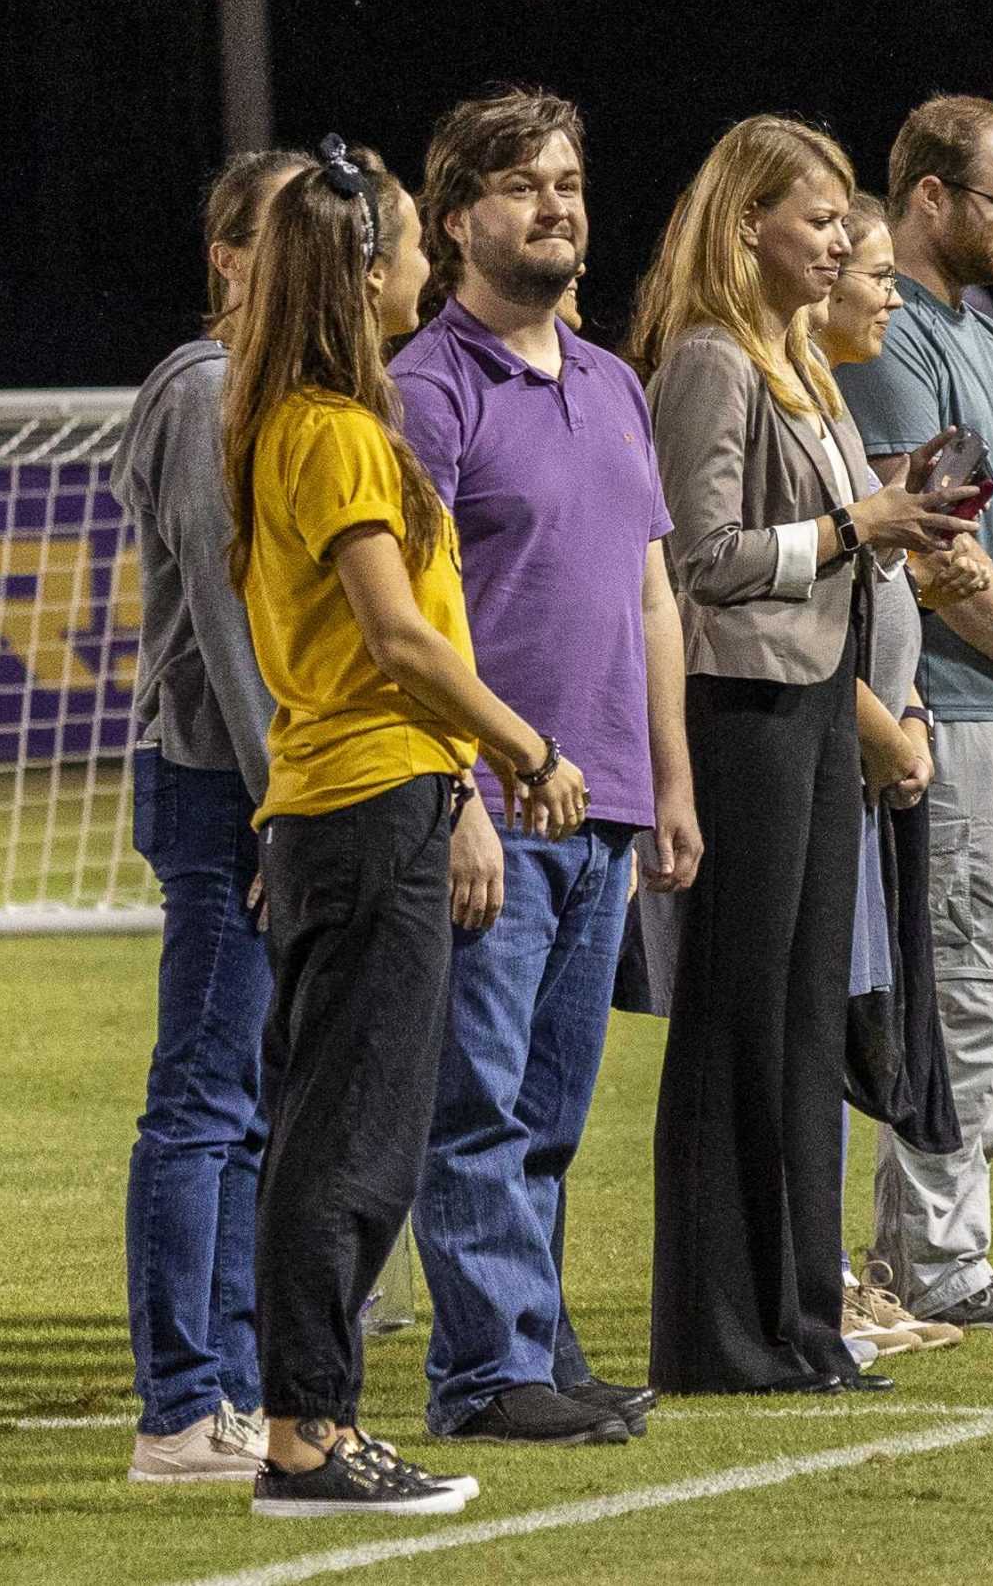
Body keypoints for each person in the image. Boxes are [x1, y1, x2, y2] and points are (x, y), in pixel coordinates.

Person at [227, 137, 584, 1514]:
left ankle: (311, 1422)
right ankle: (307, 1432)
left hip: (350, 800)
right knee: (351, 1138)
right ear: (368, 267)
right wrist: (521, 748)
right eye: (414, 249)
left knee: (347, 1129)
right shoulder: (329, 429)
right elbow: (399, 638)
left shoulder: (302, 422)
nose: (431, 268)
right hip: (368, 799)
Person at [629, 115, 977, 1395]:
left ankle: (799, 1321)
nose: (840, 239)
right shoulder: (711, 360)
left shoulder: (798, 362)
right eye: (819, 217)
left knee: (801, 1023)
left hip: (818, 706)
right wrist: (851, 526)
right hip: (744, 715)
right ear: (744, 227)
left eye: (845, 220)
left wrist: (899, 533)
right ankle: (719, 1333)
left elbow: (829, 539)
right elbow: (697, 559)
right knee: (737, 1020)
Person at [393, 89, 696, 1448]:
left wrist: (668, 782)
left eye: (569, 181)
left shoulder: (615, 381)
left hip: (605, 804)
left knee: (554, 1106)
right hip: (496, 803)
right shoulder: (427, 385)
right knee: (478, 1104)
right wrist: (458, 789)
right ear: (455, 217)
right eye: (523, 185)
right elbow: (404, 615)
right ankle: (482, 1371)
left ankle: (539, 1347)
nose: (557, 206)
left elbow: (649, 597)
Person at [837, 94, 993, 1334]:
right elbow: (929, 546)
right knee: (971, 998)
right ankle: (930, 1265)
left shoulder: (980, 326)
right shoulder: (898, 343)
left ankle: (925, 1257)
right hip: (955, 707)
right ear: (930, 197)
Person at [111, 145, 303, 1485]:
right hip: (230, 783)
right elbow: (233, 614)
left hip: (266, 780)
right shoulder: (205, 389)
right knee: (203, 1099)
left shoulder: (282, 386)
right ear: (227, 257)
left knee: (250, 1105)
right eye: (291, 238)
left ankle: (229, 1382)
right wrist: (284, 800)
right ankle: (181, 1404)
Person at [812, 189, 984, 1360]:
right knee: (810, 1027)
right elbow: (764, 598)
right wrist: (879, 717)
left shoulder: (821, 397)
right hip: (820, 751)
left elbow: (866, 587)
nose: (883, 293)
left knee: (848, 1022)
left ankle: (826, 1268)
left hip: (872, 749)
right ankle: (809, 1273)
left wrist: (906, 689)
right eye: (868, 273)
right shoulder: (775, 393)